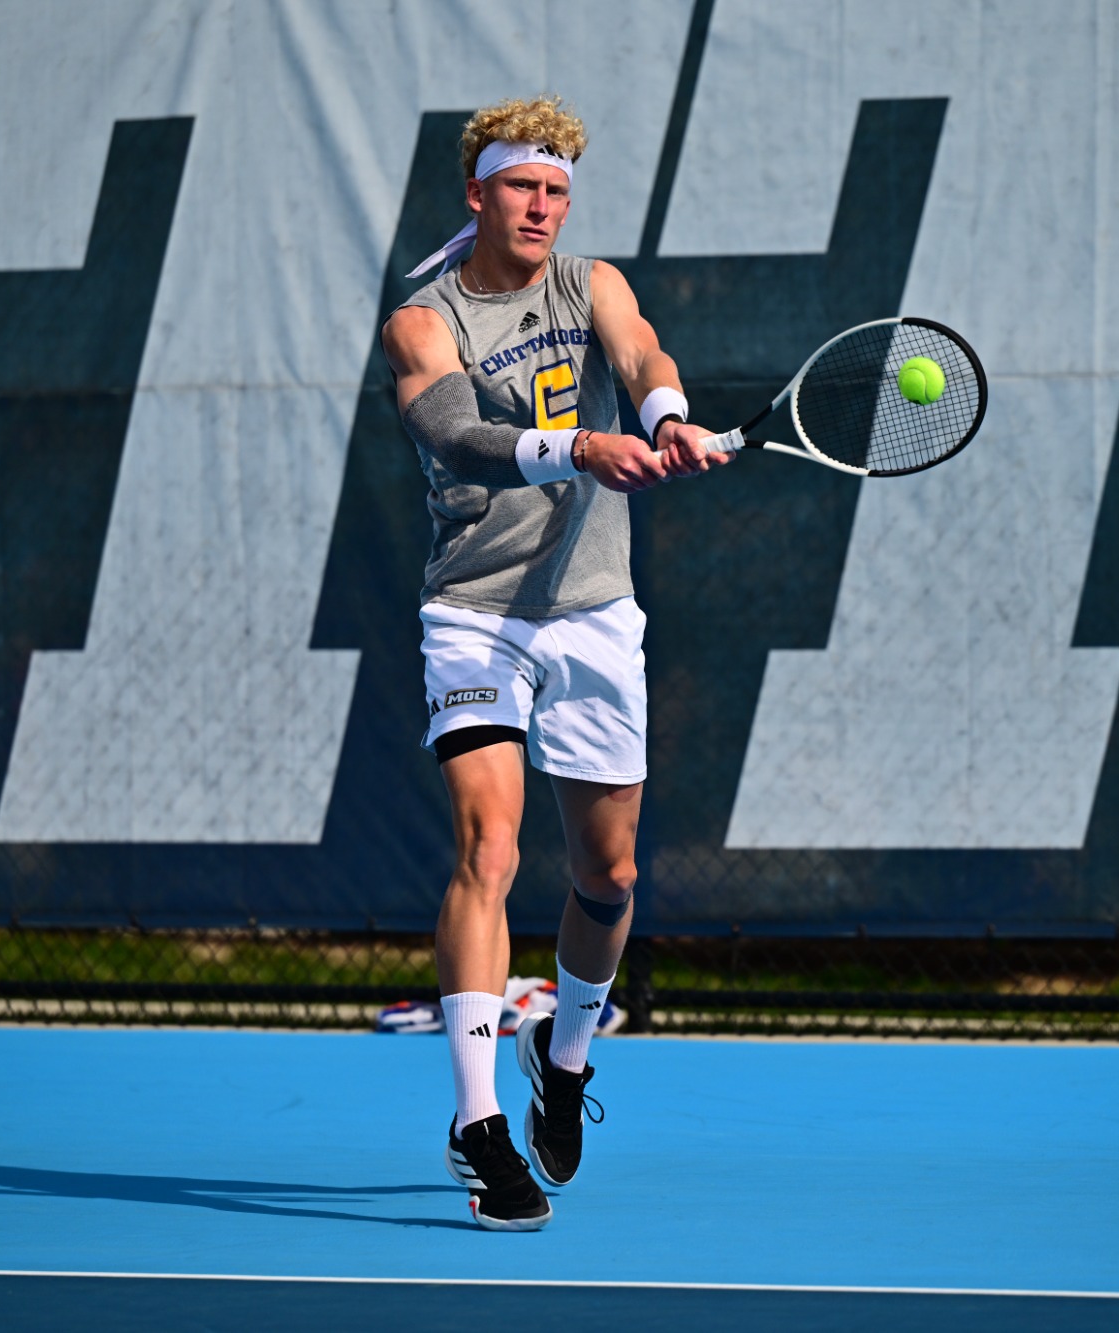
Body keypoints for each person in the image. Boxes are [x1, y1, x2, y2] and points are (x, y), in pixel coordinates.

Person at [380, 95, 729, 1231]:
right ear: (477, 192)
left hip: (594, 613)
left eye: (558, 192)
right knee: (488, 845)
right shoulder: (422, 320)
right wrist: (578, 445)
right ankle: (477, 1121)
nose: (543, 207)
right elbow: (454, 433)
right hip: (474, 613)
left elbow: (641, 351)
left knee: (608, 876)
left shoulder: (589, 284)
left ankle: (562, 1058)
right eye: (524, 186)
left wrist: (665, 415)